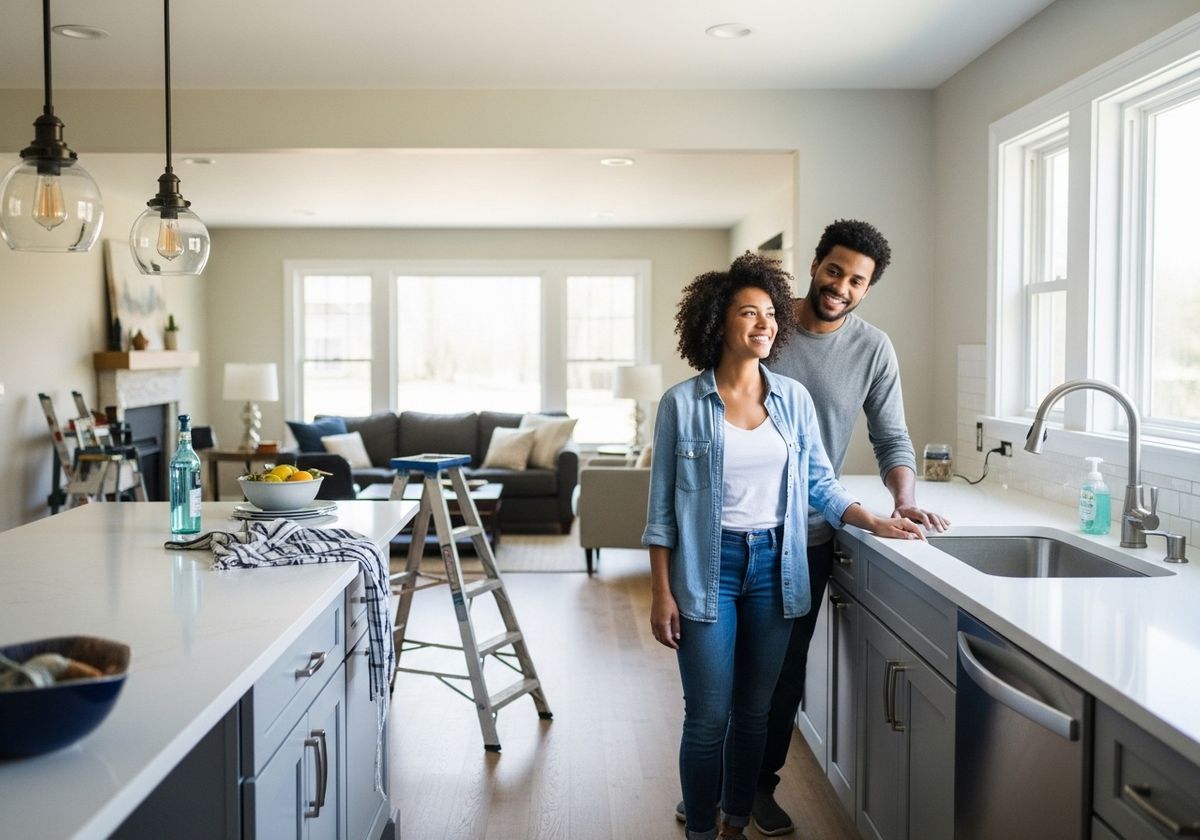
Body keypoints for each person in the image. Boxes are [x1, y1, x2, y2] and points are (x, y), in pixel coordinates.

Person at [644, 253, 926, 840]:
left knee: (755, 715)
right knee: (707, 718)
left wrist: (874, 519)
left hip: (777, 567)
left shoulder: (792, 399)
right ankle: (701, 830)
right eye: (750, 313)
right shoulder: (680, 405)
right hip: (707, 569)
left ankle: (735, 825)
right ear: (718, 323)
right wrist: (660, 592)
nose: (766, 324)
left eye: (771, 314)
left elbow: (820, 483)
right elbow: (662, 512)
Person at [747, 218, 951, 836]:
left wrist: (904, 498)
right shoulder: (767, 326)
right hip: (735, 528)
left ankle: (756, 788)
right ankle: (712, 786)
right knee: (722, 675)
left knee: (781, 678)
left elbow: (891, 437)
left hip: (809, 534)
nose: (841, 285)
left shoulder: (872, 348)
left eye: (856, 280)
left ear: (867, 289)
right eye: (834, 270)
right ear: (815, 265)